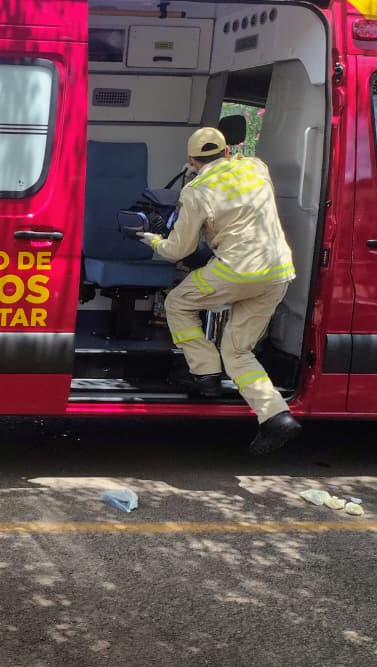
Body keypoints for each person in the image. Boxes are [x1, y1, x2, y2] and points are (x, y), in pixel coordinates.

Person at [137, 126, 302, 454]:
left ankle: (206, 375)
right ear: (227, 152)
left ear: (191, 161)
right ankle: (276, 418)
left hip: (235, 271)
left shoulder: (196, 191)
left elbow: (177, 251)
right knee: (239, 350)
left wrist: (151, 237)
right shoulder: (256, 167)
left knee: (178, 303)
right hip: (278, 271)